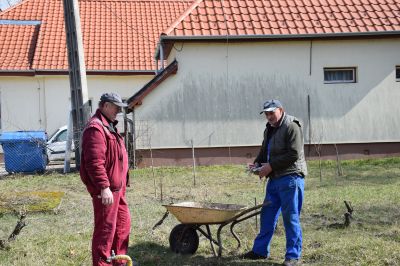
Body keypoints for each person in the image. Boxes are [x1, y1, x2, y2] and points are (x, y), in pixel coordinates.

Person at [241, 99, 307, 266]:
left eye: (272, 112)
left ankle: (293, 256)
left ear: (281, 110)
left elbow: (293, 154)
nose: (269, 116)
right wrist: (257, 163)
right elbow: (265, 150)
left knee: (290, 218)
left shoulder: (292, 126)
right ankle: (260, 251)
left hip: (291, 178)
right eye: (266, 113)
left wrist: (270, 166)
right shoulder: (269, 128)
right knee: (267, 216)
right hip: (275, 179)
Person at [80, 92, 131, 266]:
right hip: (107, 192)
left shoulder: (108, 126)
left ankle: (119, 263)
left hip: (118, 189)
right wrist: (104, 187)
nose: (118, 111)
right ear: (106, 105)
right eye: (116, 107)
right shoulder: (96, 128)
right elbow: (94, 162)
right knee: (105, 232)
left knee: (122, 227)